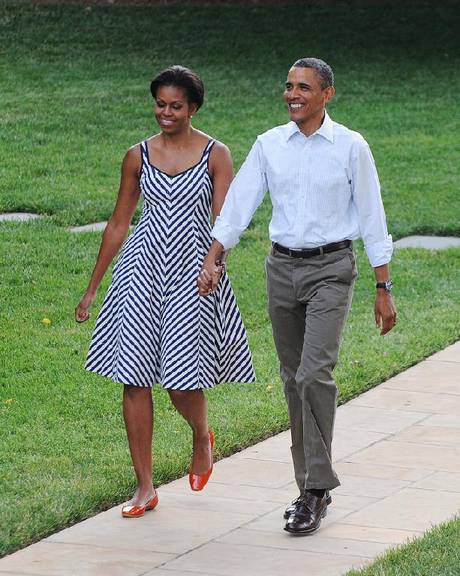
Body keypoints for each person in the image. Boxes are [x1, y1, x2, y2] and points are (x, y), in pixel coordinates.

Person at [198, 57, 396, 535]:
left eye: (303, 87)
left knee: (313, 374)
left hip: (332, 268)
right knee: (292, 380)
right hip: (281, 269)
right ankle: (308, 484)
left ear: (327, 94)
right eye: (288, 86)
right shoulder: (270, 145)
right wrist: (215, 254)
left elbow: (373, 215)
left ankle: (315, 489)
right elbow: (240, 201)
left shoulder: (351, 147)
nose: (292, 94)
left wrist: (382, 286)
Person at [75, 65, 255, 519]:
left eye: (176, 105)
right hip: (140, 273)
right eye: (160, 104)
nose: (166, 113)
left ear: (193, 108)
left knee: (180, 382)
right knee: (134, 379)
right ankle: (144, 487)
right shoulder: (137, 156)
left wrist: (216, 265)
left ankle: (201, 435)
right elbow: (119, 223)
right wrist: (93, 288)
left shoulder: (217, 154)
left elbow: (225, 224)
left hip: (193, 276)